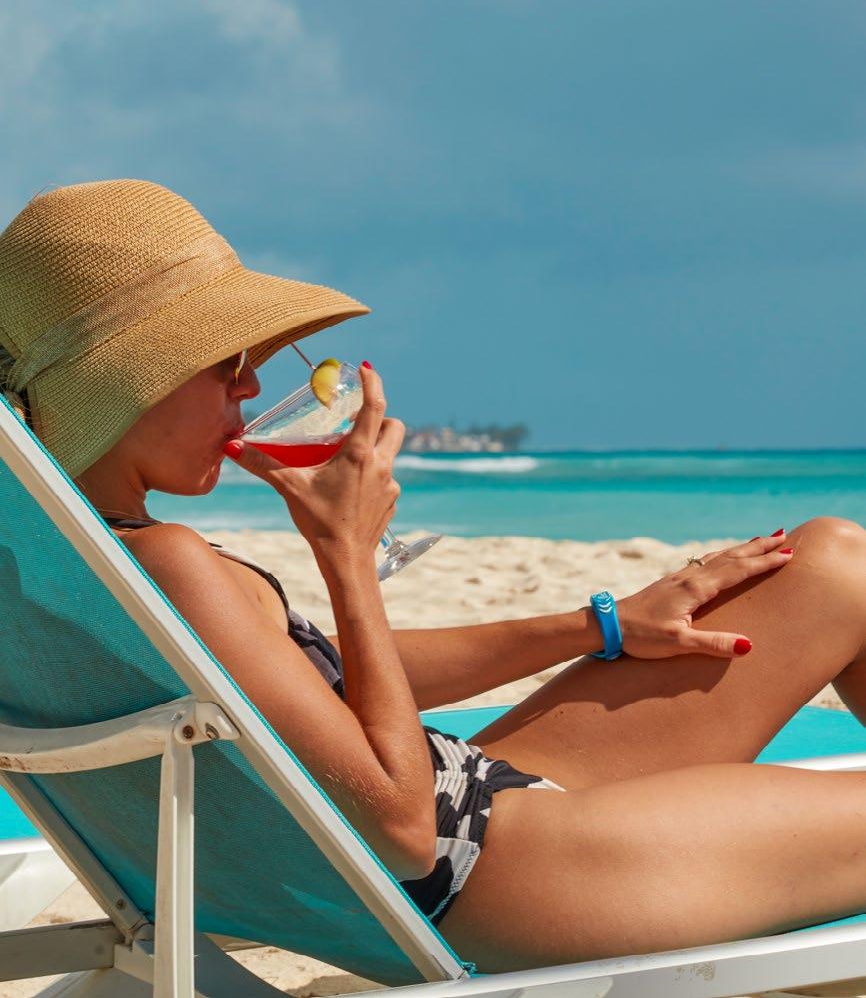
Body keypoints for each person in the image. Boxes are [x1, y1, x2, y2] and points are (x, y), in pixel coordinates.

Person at [3, 180, 866, 974]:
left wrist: (600, 625)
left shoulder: (70, 567)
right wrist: (348, 555)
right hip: (504, 880)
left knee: (832, 562)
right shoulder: (170, 564)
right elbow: (405, 831)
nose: (254, 382)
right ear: (129, 381)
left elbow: (322, 688)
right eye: (224, 360)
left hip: (489, 805)